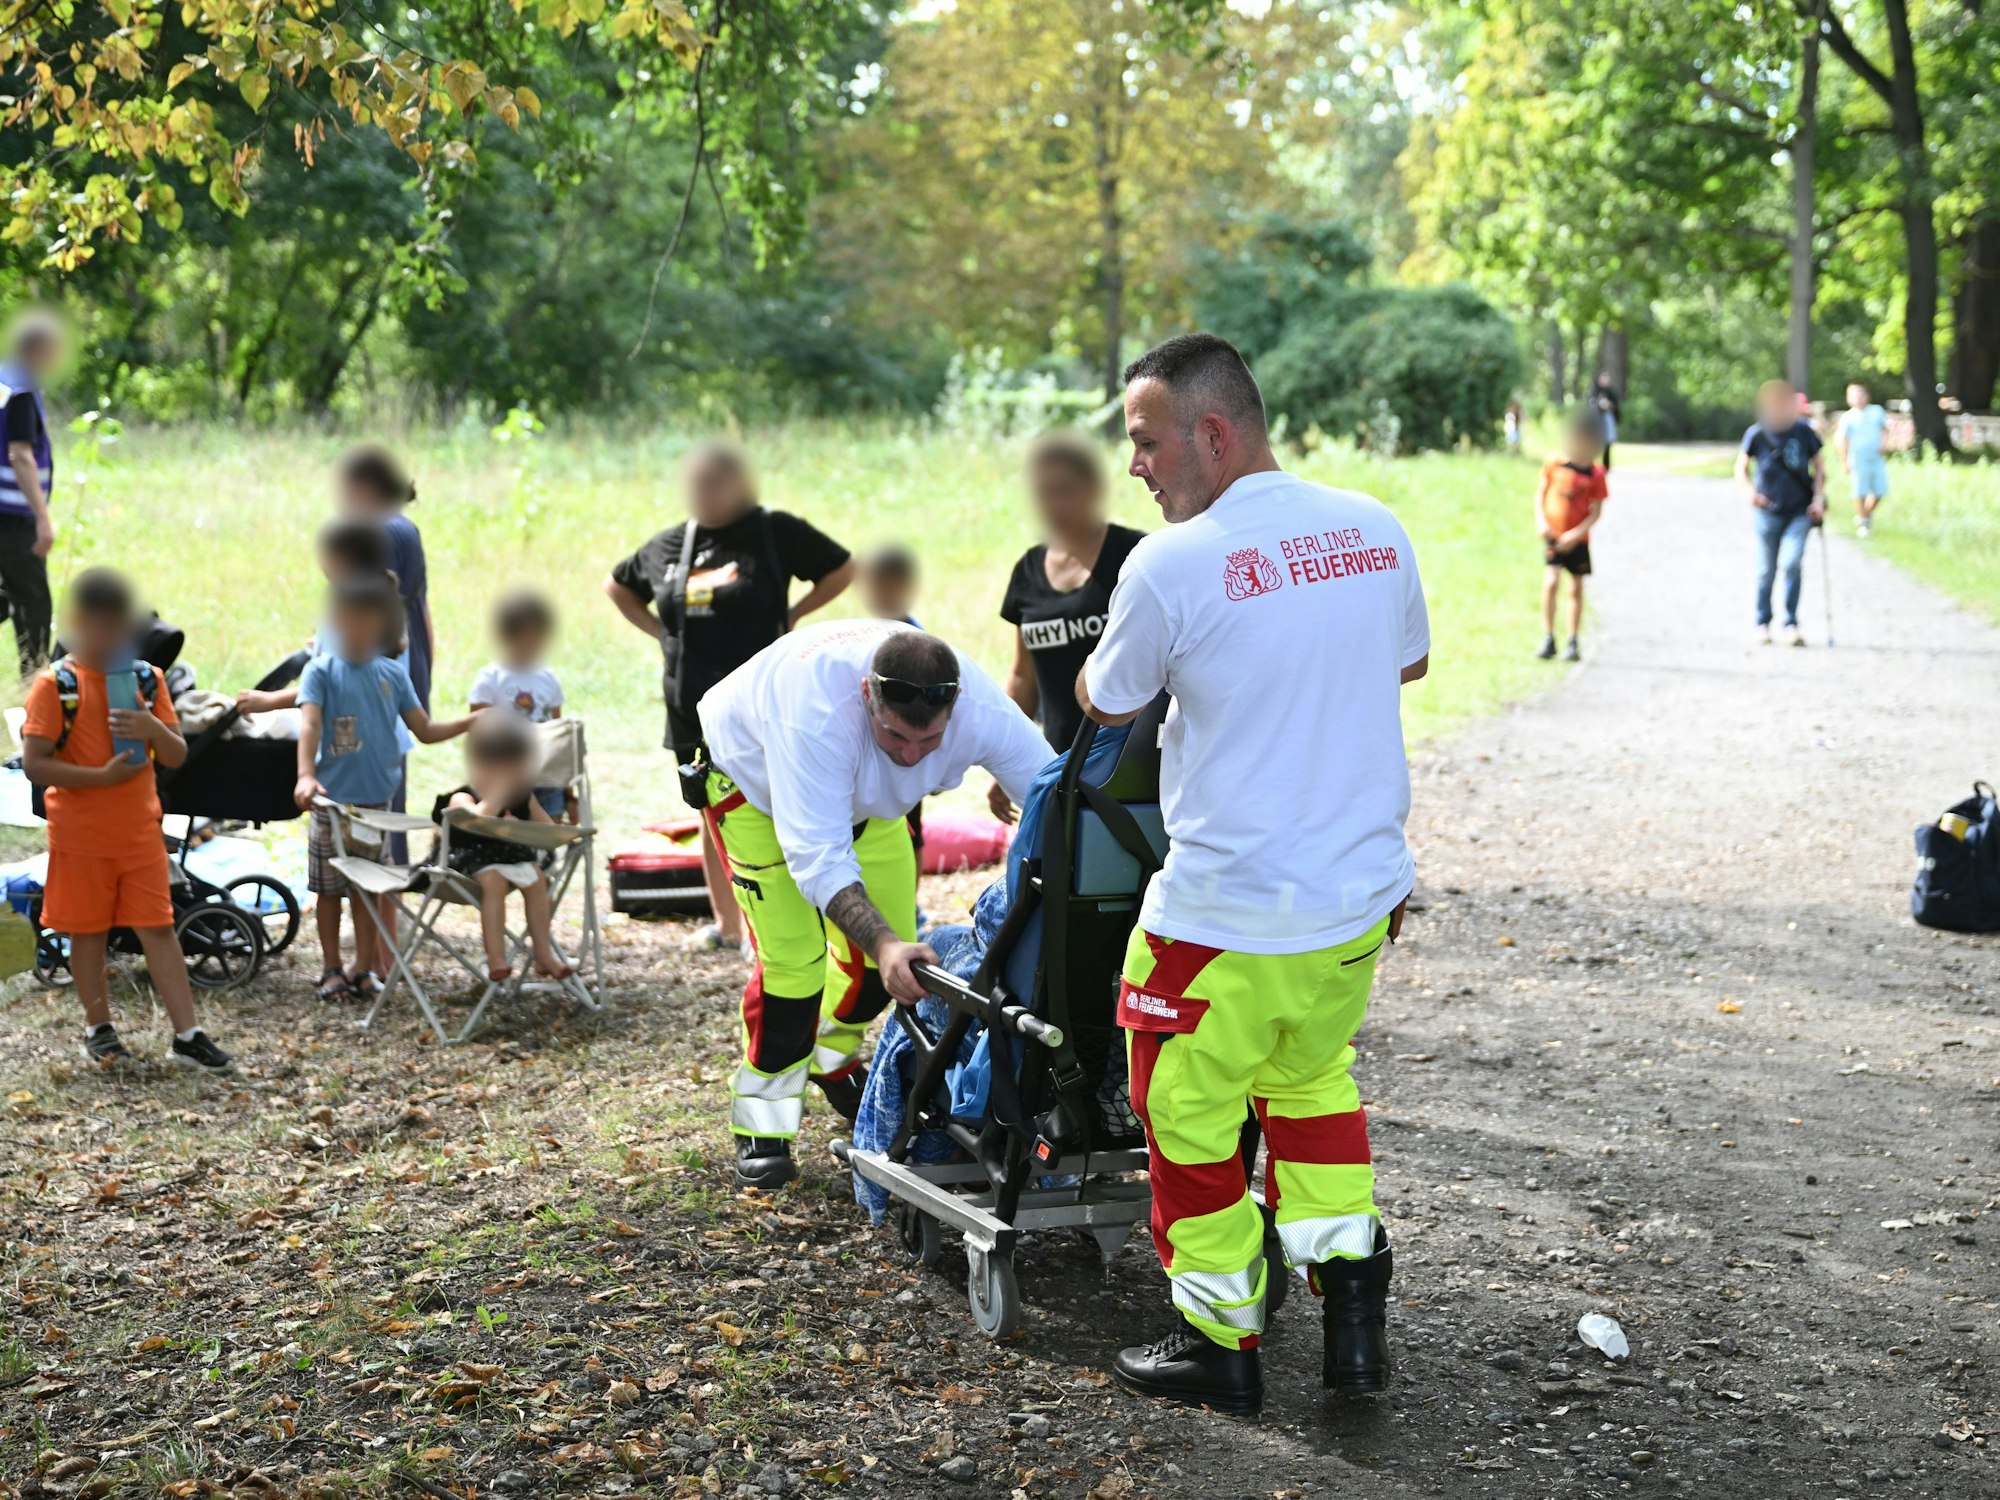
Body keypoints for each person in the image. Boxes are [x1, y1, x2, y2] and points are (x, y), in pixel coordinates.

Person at [1076, 333, 1429, 1414]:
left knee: (1183, 1114)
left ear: (1210, 433)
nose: (1133, 466)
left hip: (1222, 916)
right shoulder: (1373, 528)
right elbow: (1404, 661)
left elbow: (1105, 698)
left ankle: (1216, 1339)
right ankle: (1350, 1316)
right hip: (1353, 904)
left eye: (1142, 442)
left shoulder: (1169, 563)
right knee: (1308, 1083)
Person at [696, 619, 1049, 1188]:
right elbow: (818, 859)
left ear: (953, 712)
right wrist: (884, 940)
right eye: (895, 737)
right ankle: (764, 1120)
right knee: (795, 963)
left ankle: (830, 1060)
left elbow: (1050, 788)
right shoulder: (813, 715)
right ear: (868, 696)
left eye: (928, 742)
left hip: (869, 806)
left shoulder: (979, 707)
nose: (911, 755)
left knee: (879, 970)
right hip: (750, 785)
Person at [605, 441, 855, 952]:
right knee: (711, 810)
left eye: (716, 482)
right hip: (691, 704)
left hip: (763, 703)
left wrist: (797, 614)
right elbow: (618, 586)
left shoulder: (773, 531)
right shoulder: (670, 545)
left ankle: (784, 923)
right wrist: (660, 633)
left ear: (740, 484)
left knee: (773, 804)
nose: (705, 493)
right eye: (696, 484)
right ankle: (727, 924)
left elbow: (843, 568)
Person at [20, 567, 233, 1072]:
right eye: (97, 630)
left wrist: (151, 725)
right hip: (81, 836)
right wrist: (102, 776)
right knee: (89, 931)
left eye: (117, 630)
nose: (107, 641)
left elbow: (177, 754)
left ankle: (188, 1034)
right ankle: (99, 1029)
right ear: (75, 626)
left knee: (159, 928)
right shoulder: (57, 686)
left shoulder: (144, 678)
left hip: (139, 834)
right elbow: (35, 763)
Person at [293, 576, 473, 1001]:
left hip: (377, 805)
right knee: (328, 890)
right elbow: (310, 723)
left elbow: (424, 729)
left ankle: (364, 968)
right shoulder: (320, 672)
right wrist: (304, 774)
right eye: (350, 622)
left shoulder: (392, 674)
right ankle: (332, 967)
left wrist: (470, 721)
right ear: (335, 621)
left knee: (369, 890)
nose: (359, 632)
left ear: (382, 627)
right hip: (331, 804)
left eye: (368, 624)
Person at [1000, 432, 1143, 751]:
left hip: (1127, 763)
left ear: (1094, 489)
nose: (1056, 505)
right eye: (1045, 493)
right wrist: (1005, 755)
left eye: (1066, 491)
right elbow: (1023, 676)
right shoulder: (1028, 570)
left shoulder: (1135, 556)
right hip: (1057, 762)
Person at [434, 710, 573, 983]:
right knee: (494, 880)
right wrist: (498, 794)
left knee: (537, 879)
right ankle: (495, 958)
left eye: (514, 770)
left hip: (513, 859)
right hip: (469, 862)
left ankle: (544, 956)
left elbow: (547, 830)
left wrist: (563, 829)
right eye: (499, 770)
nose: (507, 778)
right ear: (479, 767)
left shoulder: (522, 797)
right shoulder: (461, 797)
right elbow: (480, 818)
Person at [1736, 378, 1826, 647]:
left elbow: (1820, 466)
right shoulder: (1757, 433)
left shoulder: (1804, 432)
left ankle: (1791, 623)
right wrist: (1751, 493)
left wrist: (1818, 499)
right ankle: (1762, 622)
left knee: (1791, 563)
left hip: (1799, 510)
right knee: (1766, 570)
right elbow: (1740, 468)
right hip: (1767, 513)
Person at [0, 313, 63, 676]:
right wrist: (43, 518)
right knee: (34, 602)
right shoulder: (22, 389)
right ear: (39, 349)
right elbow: (20, 455)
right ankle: (36, 684)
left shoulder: (2, 380)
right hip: (13, 517)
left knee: (8, 594)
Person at [469, 588, 567, 818]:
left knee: (546, 839)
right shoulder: (489, 679)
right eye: (523, 634)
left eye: (537, 635)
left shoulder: (549, 680)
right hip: (503, 778)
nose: (530, 642)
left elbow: (558, 735)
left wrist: (570, 793)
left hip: (545, 777)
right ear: (505, 635)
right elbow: (477, 735)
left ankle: (545, 855)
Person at [1534, 410, 1609, 662]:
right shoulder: (1554, 463)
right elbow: (1540, 493)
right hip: (1553, 537)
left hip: (1577, 542)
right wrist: (1541, 521)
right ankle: (1548, 637)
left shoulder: (1595, 475)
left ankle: (1573, 640)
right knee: (1550, 583)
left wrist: (1576, 535)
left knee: (1575, 588)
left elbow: (1595, 512)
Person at [1834, 382, 1889, 538]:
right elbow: (1842, 440)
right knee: (1860, 490)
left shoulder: (1877, 411)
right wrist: (1844, 461)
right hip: (1858, 457)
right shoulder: (1848, 417)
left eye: (1860, 393)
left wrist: (1884, 445)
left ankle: (1864, 514)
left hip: (1876, 457)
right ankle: (1864, 523)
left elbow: (1885, 430)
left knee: (1880, 491)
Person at [857, 544, 922, 627]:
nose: (881, 599)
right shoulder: (871, 629)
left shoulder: (914, 634)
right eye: (876, 592)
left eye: (889, 595)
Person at [1592, 375, 1622, 470]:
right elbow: (1591, 404)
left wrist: (1610, 406)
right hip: (1597, 421)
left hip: (1608, 420)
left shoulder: (1611, 393)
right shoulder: (1595, 392)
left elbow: (1616, 406)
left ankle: (1606, 467)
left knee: (1607, 444)